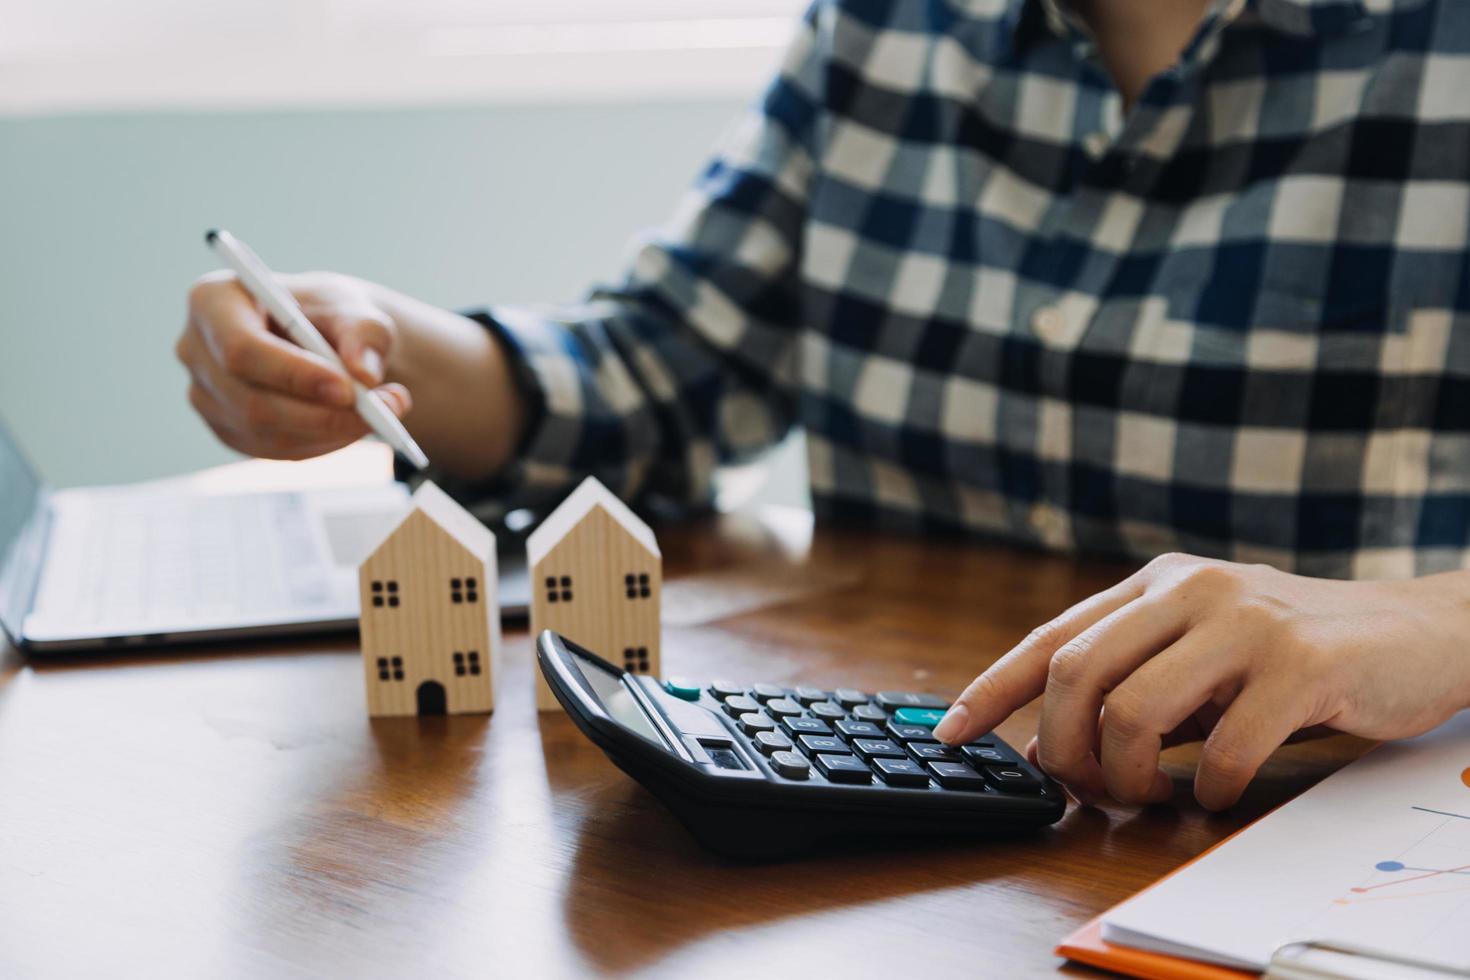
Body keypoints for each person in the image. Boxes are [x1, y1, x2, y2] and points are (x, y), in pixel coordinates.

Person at [176, 0, 1470, 811]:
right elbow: (658, 368)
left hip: (1315, 832)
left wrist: (1431, 620)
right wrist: (375, 344)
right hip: (910, 827)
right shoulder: (881, 25)